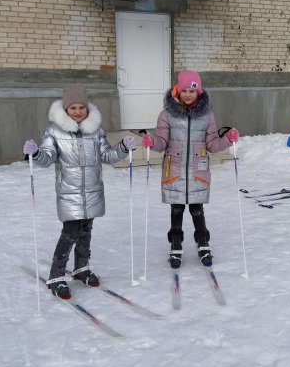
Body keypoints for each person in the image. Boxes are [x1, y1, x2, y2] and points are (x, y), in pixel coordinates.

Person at [23, 83, 136, 299]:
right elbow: (46, 158)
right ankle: (56, 275)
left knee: (86, 231)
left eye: (81, 108)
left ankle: (81, 267)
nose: (77, 112)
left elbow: (107, 156)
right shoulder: (54, 131)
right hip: (69, 193)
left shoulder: (95, 131)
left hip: (93, 191)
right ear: (65, 110)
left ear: (87, 109)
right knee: (70, 233)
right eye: (72, 108)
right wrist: (35, 153)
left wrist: (122, 147)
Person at [142, 70, 239, 269]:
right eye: (184, 90)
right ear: (177, 90)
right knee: (176, 209)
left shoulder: (207, 115)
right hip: (175, 170)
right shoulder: (166, 114)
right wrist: (152, 142)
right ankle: (175, 243)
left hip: (198, 170)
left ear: (199, 92)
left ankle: (202, 242)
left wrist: (227, 140)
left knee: (197, 209)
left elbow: (212, 144)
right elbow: (162, 142)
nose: (188, 94)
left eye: (192, 91)